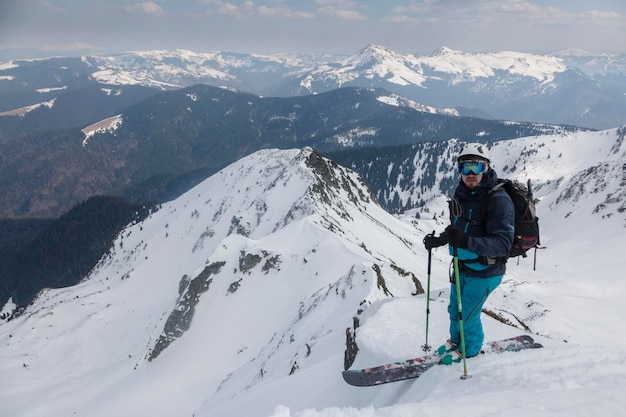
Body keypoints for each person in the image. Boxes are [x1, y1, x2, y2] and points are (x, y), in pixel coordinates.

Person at [423, 143, 514, 364]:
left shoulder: (498, 200)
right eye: (465, 168)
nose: (471, 174)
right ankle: (456, 343)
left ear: (486, 168)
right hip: (461, 265)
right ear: (459, 170)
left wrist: (466, 242)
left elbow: (503, 244)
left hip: (485, 270)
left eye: (477, 167)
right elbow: (457, 228)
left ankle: (470, 353)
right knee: (455, 309)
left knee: (468, 316)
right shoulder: (461, 194)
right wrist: (441, 240)